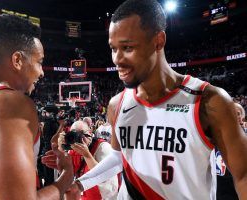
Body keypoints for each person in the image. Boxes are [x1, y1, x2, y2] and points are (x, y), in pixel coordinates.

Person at [63, 0, 247, 199]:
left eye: (127, 48)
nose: (117, 59)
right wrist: (80, 184)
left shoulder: (209, 101)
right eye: (114, 49)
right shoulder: (117, 104)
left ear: (158, 41)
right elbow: (118, 156)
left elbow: (243, 174)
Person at [0, 14, 73, 199]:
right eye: (39, 62)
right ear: (17, 60)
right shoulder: (12, 103)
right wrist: (65, 179)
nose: (42, 72)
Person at [44, 120, 118, 200]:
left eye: (82, 134)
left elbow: (105, 177)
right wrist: (62, 153)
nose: (78, 138)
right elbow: (67, 180)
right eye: (74, 134)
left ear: (90, 132)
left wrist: (87, 155)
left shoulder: (103, 147)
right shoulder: (72, 151)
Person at [216, 102, 247, 200]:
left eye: (236, 113)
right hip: (217, 192)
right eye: (228, 112)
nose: (231, 115)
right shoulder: (214, 138)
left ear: (242, 118)